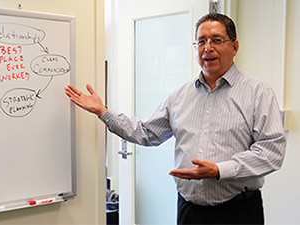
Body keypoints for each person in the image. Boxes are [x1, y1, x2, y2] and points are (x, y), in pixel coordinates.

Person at [65, 13, 286, 225]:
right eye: (201, 41)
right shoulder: (180, 95)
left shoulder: (258, 93)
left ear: (234, 46)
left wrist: (220, 170)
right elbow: (147, 132)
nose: (207, 48)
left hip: (237, 212)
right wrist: (103, 111)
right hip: (189, 211)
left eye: (217, 40)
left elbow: (271, 151)